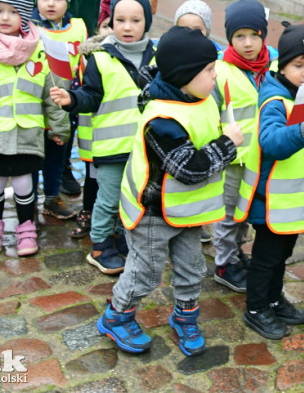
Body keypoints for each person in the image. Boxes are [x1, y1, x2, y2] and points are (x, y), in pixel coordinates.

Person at [96, 26, 242, 356]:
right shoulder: (162, 119)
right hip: (152, 213)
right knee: (144, 273)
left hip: (188, 212)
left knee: (193, 269)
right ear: (183, 76)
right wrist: (227, 144)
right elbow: (188, 168)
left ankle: (185, 316)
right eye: (208, 69)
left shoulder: (199, 96)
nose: (215, 74)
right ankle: (116, 316)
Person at [51, 0, 155, 274]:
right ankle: (99, 245)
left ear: (147, 22)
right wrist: (72, 100)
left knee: (133, 196)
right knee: (107, 199)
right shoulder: (100, 58)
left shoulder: (156, 57)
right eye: (119, 20)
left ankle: (122, 237)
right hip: (110, 147)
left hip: (143, 147)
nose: (127, 26)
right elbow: (91, 96)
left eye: (135, 20)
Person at [0, 0, 71, 257]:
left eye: (13, 12)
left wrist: (60, 127)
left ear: (25, 16)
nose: (4, 17)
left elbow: (53, 93)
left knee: (26, 182)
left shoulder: (39, 50)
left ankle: (26, 227)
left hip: (27, 132)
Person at [240, 22, 304, 340]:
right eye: (298, 65)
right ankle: (256, 307)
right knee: (265, 258)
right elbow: (273, 142)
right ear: (283, 67)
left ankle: (274, 299)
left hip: (292, 202)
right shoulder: (276, 101)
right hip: (271, 200)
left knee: (282, 254)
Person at [210, 0, 273, 292]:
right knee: (228, 212)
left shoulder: (271, 67)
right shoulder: (220, 71)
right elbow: (209, 114)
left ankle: (237, 252)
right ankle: (224, 262)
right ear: (229, 38)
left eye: (254, 35)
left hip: (259, 157)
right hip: (232, 159)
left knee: (245, 210)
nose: (248, 43)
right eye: (239, 36)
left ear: (263, 35)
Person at [33, 0, 85, 220]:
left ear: (68, 0)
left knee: (58, 153)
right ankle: (27, 197)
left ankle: (52, 197)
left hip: (66, 102)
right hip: (34, 105)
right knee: (32, 155)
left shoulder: (78, 28)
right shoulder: (29, 29)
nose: (51, 4)